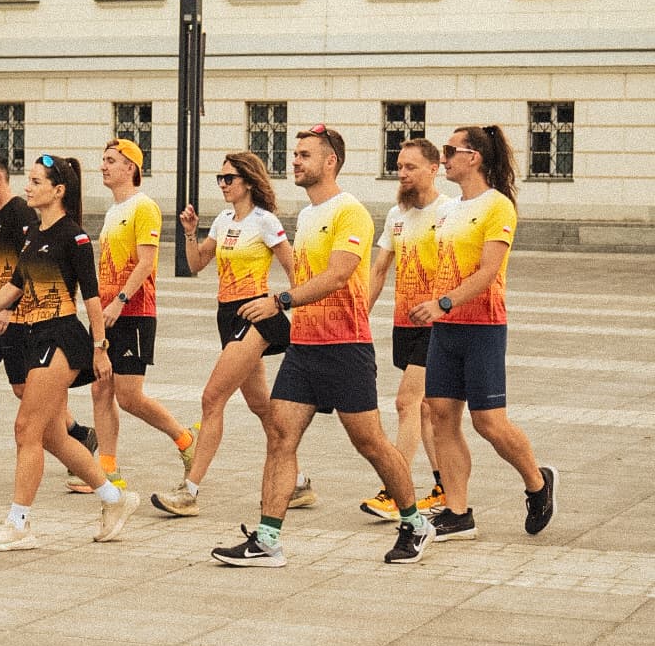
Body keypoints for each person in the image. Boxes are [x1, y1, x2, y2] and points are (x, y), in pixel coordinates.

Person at [211, 125, 433, 568]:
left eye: (304, 155)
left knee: (369, 442)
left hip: (345, 347)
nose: (295, 161)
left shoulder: (351, 212)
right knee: (279, 435)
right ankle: (268, 539)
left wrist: (279, 300)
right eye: (295, 154)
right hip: (304, 347)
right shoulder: (308, 215)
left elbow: (339, 274)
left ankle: (415, 522)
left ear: (330, 162)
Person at [0, 153, 139, 551]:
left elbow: (92, 298)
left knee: (25, 429)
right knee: (52, 435)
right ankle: (115, 499)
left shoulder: (75, 237)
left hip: (62, 337)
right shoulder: (35, 234)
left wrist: (100, 347)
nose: (28, 187)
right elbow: (16, 285)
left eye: (36, 182)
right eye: (29, 180)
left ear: (58, 190)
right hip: (36, 335)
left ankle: (19, 524)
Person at [410, 124, 557, 539]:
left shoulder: (498, 206)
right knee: (441, 417)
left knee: (488, 422)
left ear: (473, 157)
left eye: (450, 151)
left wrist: (442, 303)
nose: (444, 158)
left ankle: (538, 482)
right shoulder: (447, 209)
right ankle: (458, 512)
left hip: (483, 327)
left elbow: (489, 272)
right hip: (445, 329)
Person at [151, 150, 316, 518]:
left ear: (248, 181)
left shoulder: (265, 221)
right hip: (227, 316)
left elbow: (294, 272)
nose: (223, 185)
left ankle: (189, 491)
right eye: (220, 179)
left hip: (255, 315)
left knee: (212, 398)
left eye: (229, 178)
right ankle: (300, 483)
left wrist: (290, 307)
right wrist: (191, 233)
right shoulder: (224, 220)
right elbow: (196, 264)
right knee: (262, 407)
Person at [0, 153, 96, 476]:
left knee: (25, 398)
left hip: (24, 321)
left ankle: (80, 438)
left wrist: (101, 348)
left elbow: (72, 285)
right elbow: (16, 278)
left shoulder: (24, 216)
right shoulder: (10, 218)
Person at [68, 138, 196, 492]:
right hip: (106, 316)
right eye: (103, 159)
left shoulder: (144, 207)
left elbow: (146, 262)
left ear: (131, 168)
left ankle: (185, 440)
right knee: (100, 390)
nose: (103, 166)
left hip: (134, 312)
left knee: (129, 396)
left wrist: (120, 300)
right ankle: (107, 471)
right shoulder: (113, 211)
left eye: (111, 160)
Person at [361, 137, 447, 522]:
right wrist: (358, 314)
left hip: (439, 325)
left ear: (434, 168)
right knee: (426, 409)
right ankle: (445, 486)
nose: (403, 174)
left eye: (411, 167)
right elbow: (379, 270)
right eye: (399, 167)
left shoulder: (451, 212)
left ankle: (396, 491)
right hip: (404, 323)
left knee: (405, 402)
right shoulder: (397, 215)